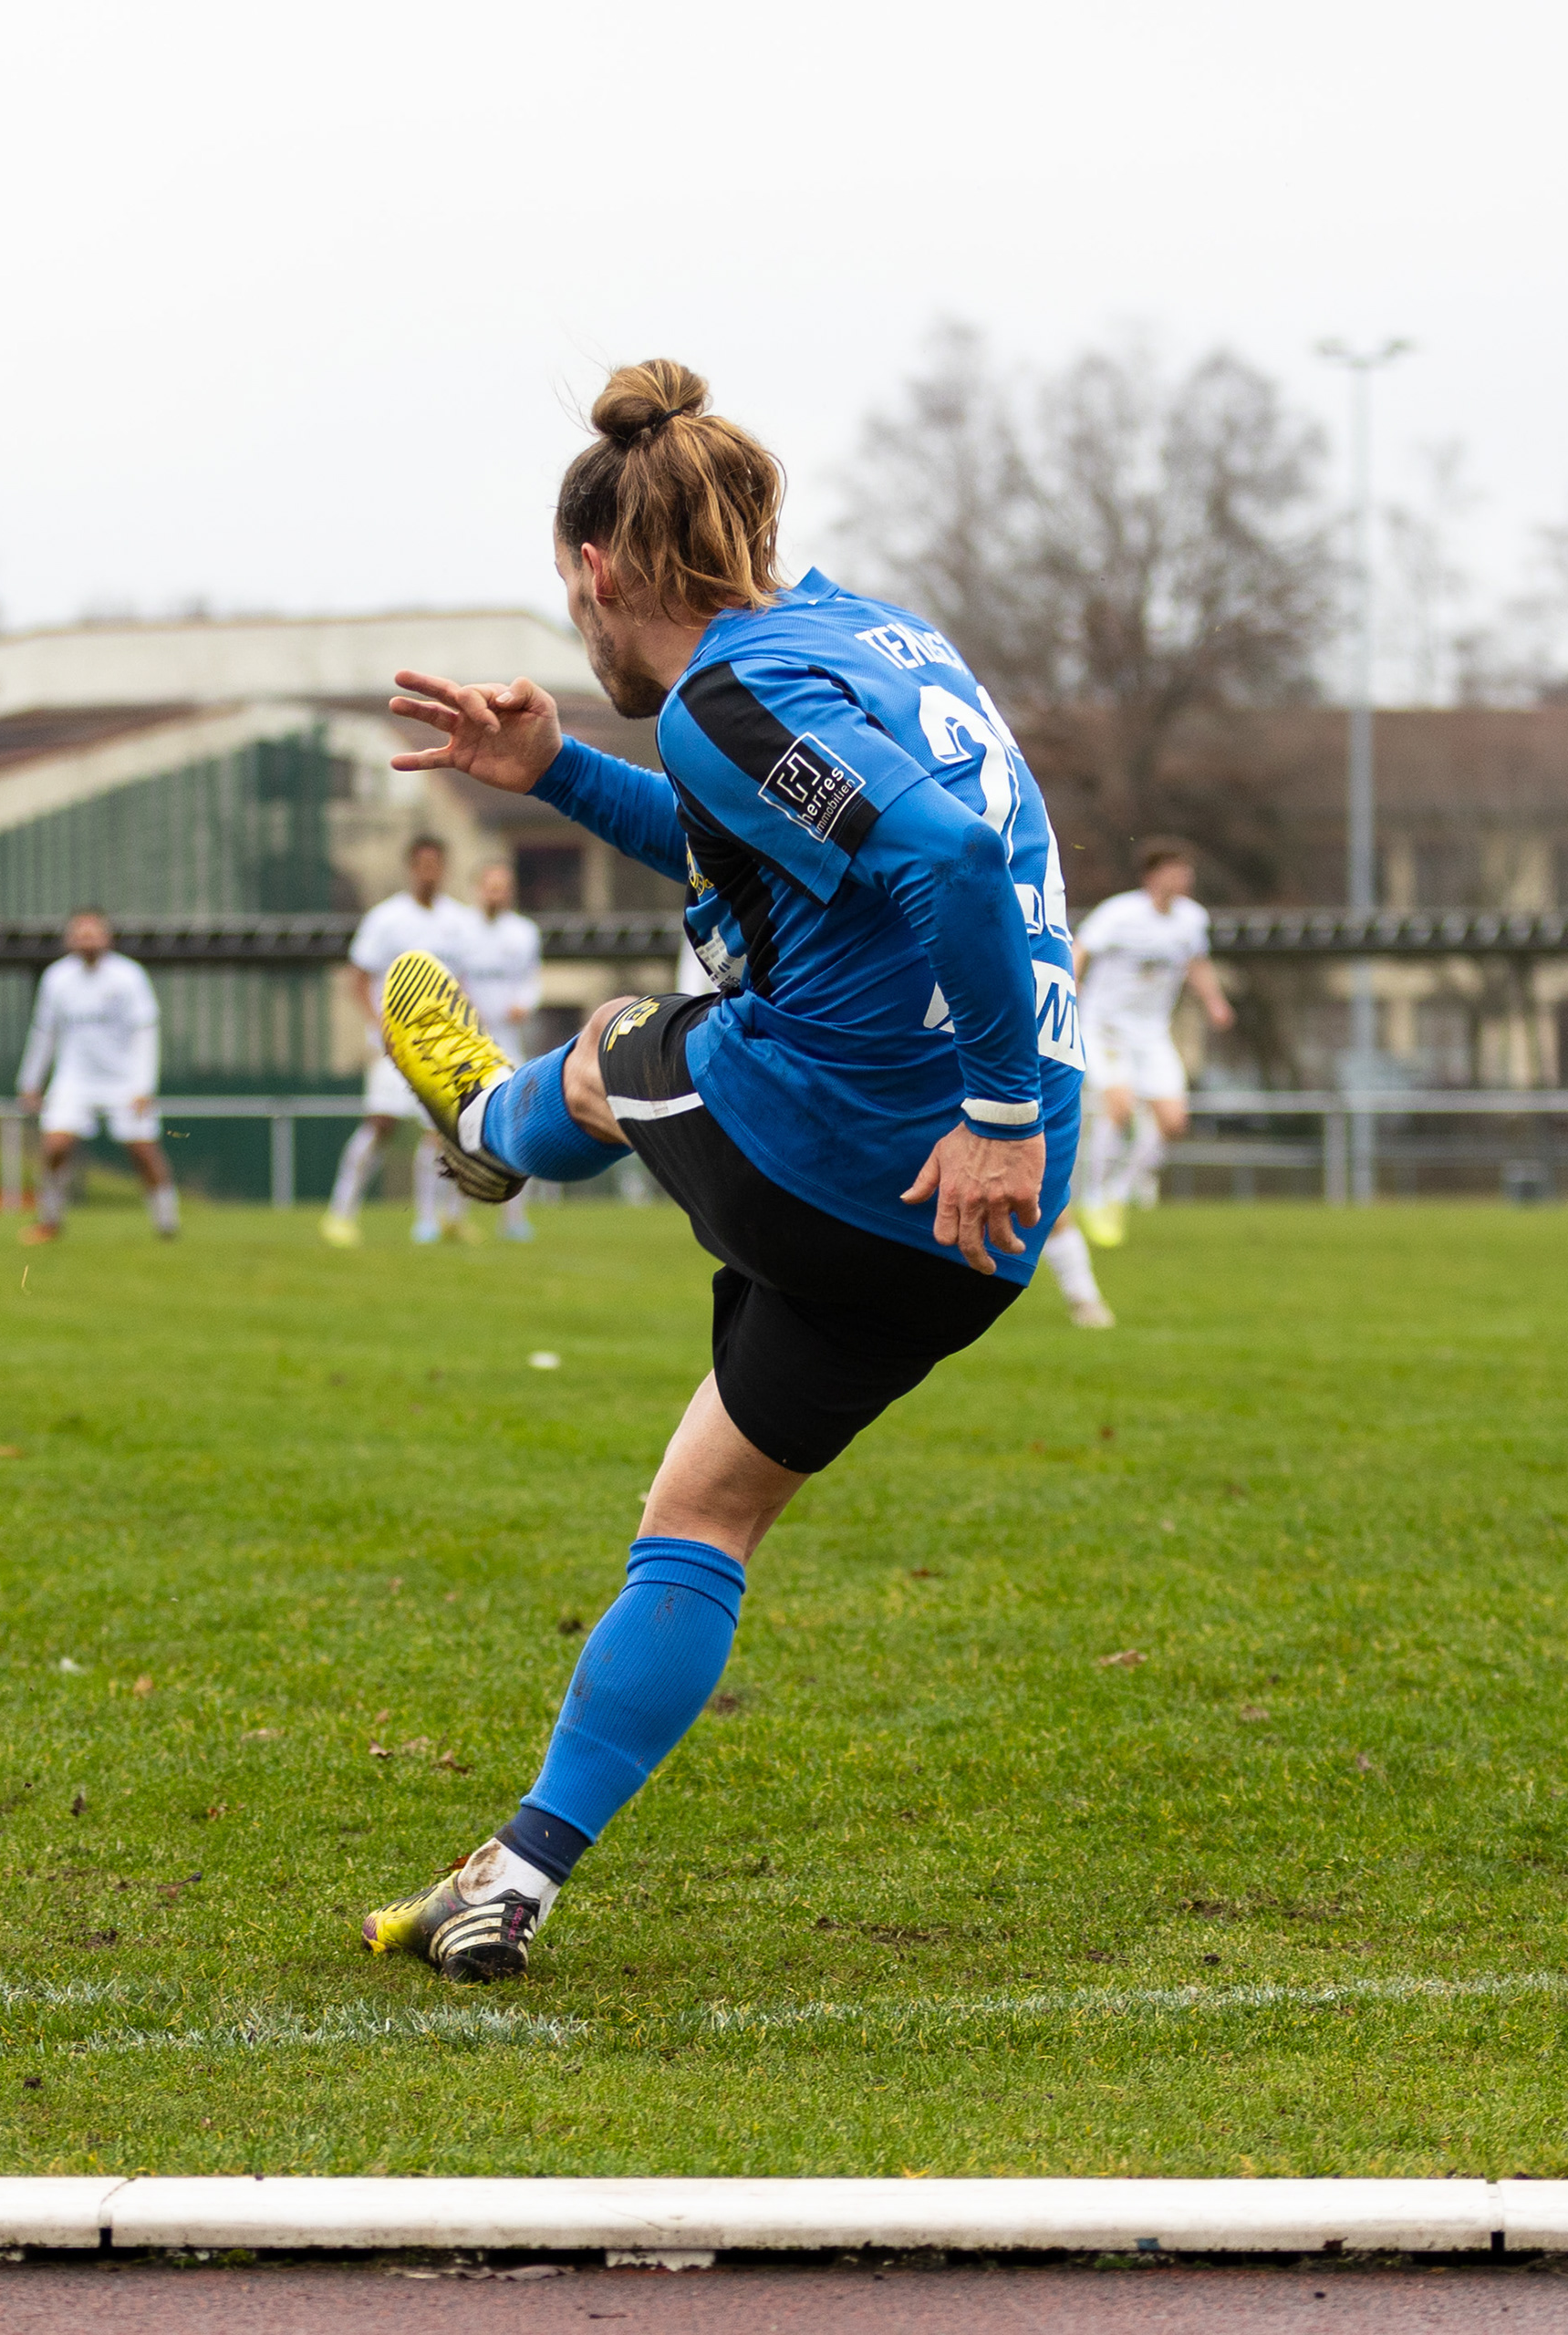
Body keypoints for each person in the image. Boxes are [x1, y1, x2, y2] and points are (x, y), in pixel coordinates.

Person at [356, 359, 1080, 1983]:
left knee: (622, 1040)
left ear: (600, 572)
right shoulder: (870, 644)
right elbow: (776, 838)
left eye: (570, 598)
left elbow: (944, 858)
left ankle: (486, 1133)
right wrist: (550, 774)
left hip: (882, 1136)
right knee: (703, 1513)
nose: (578, 633)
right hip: (968, 1227)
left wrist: (995, 1102)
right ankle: (517, 1880)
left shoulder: (724, 696)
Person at [323, 837, 483, 1247]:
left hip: (440, 1045)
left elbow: (461, 983)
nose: (429, 871)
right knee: (381, 1125)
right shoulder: (386, 919)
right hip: (393, 1045)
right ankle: (340, 1213)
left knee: (439, 1134)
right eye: (422, 864)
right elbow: (358, 979)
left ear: (444, 868)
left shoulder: (459, 921)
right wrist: (379, 1027)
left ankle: (428, 1222)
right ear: (411, 868)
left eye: (436, 864)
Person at [1072, 840, 1231, 1248]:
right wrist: (1070, 984)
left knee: (1173, 1121)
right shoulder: (1120, 913)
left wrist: (1214, 1001)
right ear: (1151, 876)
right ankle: (1092, 1196)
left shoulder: (1192, 919)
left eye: (1186, 871)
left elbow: (1196, 962)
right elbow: (1081, 948)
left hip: (1151, 1032)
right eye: (1174, 871)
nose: (1183, 879)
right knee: (1120, 1110)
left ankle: (1118, 1193)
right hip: (1105, 1028)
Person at [16, 908, 178, 1245]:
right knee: (56, 1147)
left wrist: (144, 1086)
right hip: (74, 1080)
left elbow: (146, 1032)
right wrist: (30, 1082)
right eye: (80, 933)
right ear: (70, 938)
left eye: (94, 933)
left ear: (107, 937)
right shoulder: (56, 978)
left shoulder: (129, 976)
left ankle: (166, 1221)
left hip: (125, 1082)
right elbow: (44, 1033)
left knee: (143, 1152)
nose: (87, 940)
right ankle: (50, 1220)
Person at [445, 858, 546, 1241]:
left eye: (503, 887)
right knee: (456, 1131)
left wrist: (525, 1003)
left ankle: (515, 1218)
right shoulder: (459, 933)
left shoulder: (524, 933)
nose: (496, 894)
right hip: (467, 1044)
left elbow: (532, 982)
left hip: (509, 1043)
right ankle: (448, 1216)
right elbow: (449, 982)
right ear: (478, 888)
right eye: (491, 886)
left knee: (518, 1126)